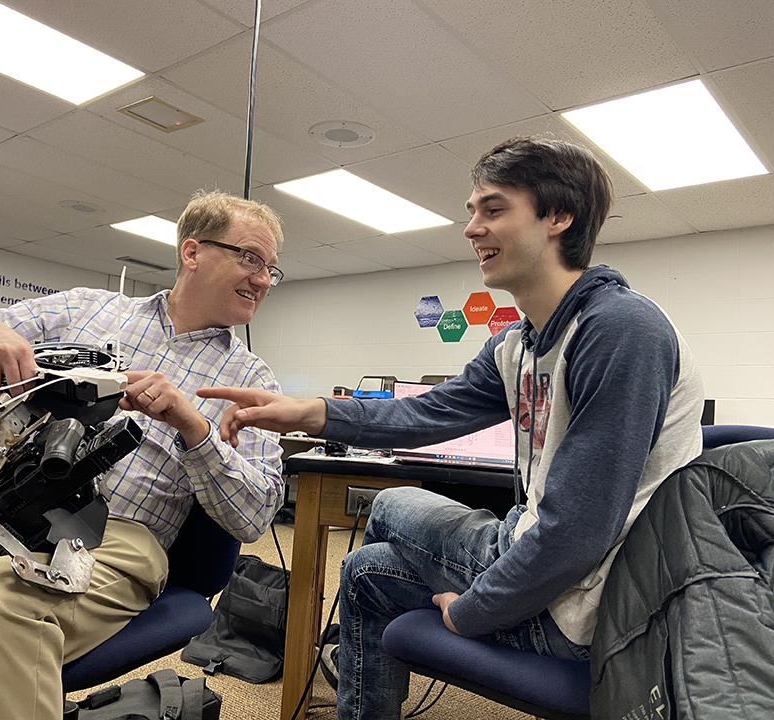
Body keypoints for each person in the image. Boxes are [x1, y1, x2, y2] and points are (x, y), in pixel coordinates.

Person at [199, 137, 705, 720]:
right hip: (538, 556)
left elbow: (578, 532)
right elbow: (427, 413)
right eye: (472, 212)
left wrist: (473, 611)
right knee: (364, 569)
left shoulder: (620, 328)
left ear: (558, 217)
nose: (470, 228)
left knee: (388, 507)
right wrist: (312, 412)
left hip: (594, 605)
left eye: (492, 209)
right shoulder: (519, 344)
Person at [0, 189, 287, 720]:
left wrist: (193, 426)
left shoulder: (251, 378)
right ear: (192, 252)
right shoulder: (87, 308)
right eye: (250, 257)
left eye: (272, 268)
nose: (264, 278)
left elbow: (256, 515)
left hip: (117, 535)